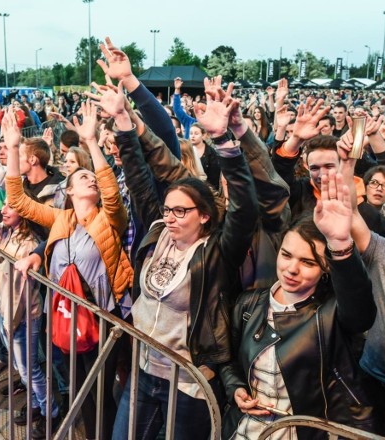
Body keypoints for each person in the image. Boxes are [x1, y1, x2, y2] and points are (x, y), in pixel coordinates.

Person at [110, 77, 259, 439]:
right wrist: (123, 125)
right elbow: (139, 179)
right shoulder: (158, 231)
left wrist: (224, 142)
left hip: (189, 381)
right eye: (168, 210)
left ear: (204, 215)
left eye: (181, 211)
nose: (171, 217)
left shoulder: (216, 252)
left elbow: (245, 207)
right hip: (144, 370)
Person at [6, 101, 133, 440]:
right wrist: (15, 148)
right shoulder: (60, 218)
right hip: (64, 319)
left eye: (91, 176)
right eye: (82, 176)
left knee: (99, 395)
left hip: (103, 322)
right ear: (70, 189)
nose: (89, 178)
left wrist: (91, 142)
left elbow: (112, 193)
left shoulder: (110, 219)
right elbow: (18, 201)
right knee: (79, 391)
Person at [219, 170, 376, 439]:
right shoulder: (250, 304)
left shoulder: (330, 314)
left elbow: (361, 314)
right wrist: (235, 388)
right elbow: (229, 361)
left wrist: (339, 245)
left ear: (325, 268)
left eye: (308, 262)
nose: (292, 269)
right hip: (244, 428)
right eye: (287, 255)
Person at [0, 203, 59, 436]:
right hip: (7, 313)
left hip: (22, 316)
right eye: (4, 205)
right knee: (21, 367)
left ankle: (51, 413)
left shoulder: (30, 243)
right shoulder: (7, 231)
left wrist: (11, 323)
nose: (4, 209)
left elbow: (21, 294)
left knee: (29, 370)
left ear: (25, 213)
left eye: (11, 206)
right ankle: (36, 405)